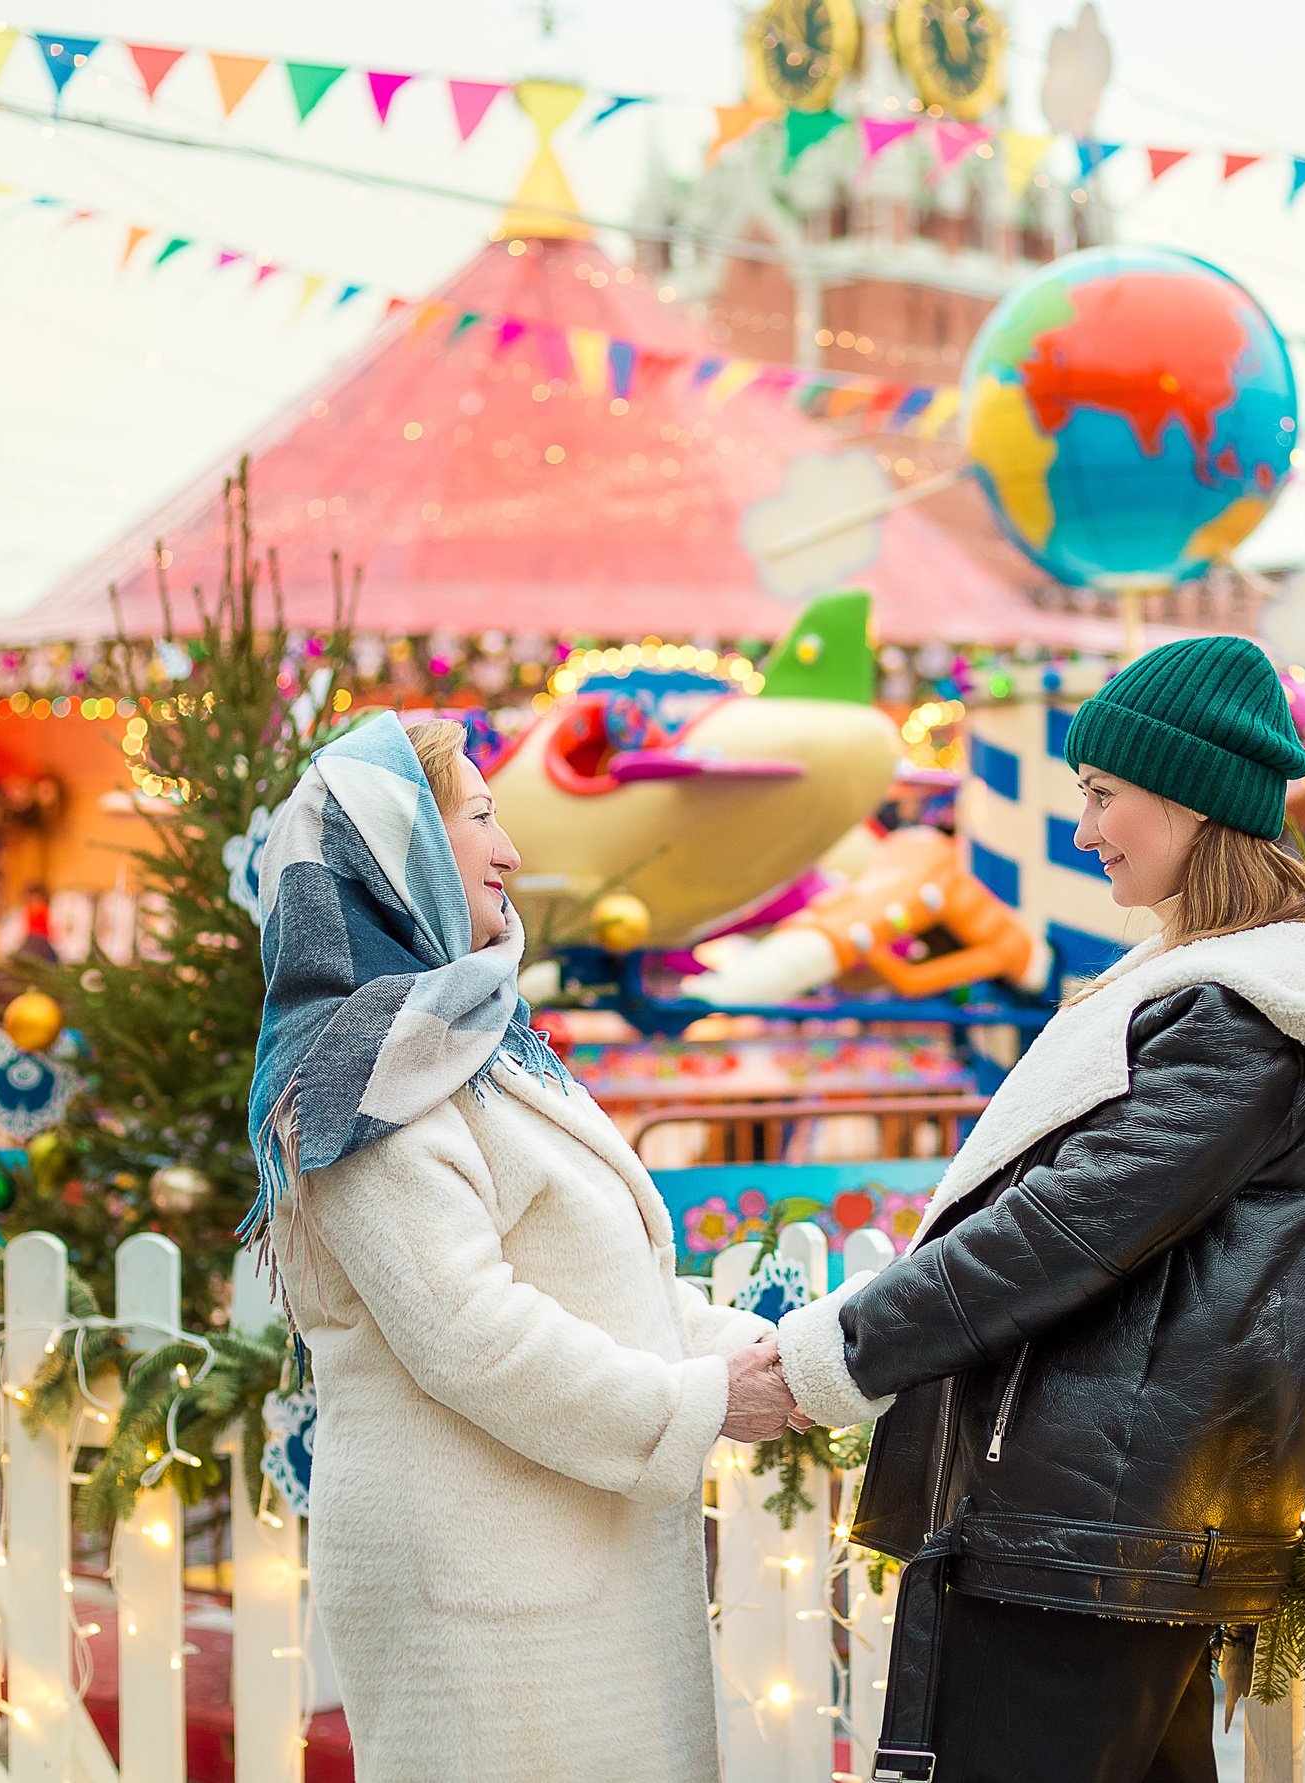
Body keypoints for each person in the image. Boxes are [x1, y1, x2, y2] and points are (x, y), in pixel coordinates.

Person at [776, 636, 1305, 1783]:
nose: (1084, 827)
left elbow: (1055, 1235)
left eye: (1103, 794)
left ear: (1189, 801)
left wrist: (836, 1354)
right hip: (1097, 1518)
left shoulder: (1234, 1015)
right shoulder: (1214, 996)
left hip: (1088, 1526)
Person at [243, 710, 800, 1783]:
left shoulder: (469, 1038)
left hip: (575, 1568)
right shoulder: (363, 1067)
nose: (510, 851)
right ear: (395, 852)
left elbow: (601, 1282)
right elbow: (466, 1330)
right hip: (487, 1598)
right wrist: (702, 1401)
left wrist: (775, 1354)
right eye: (482, 818)